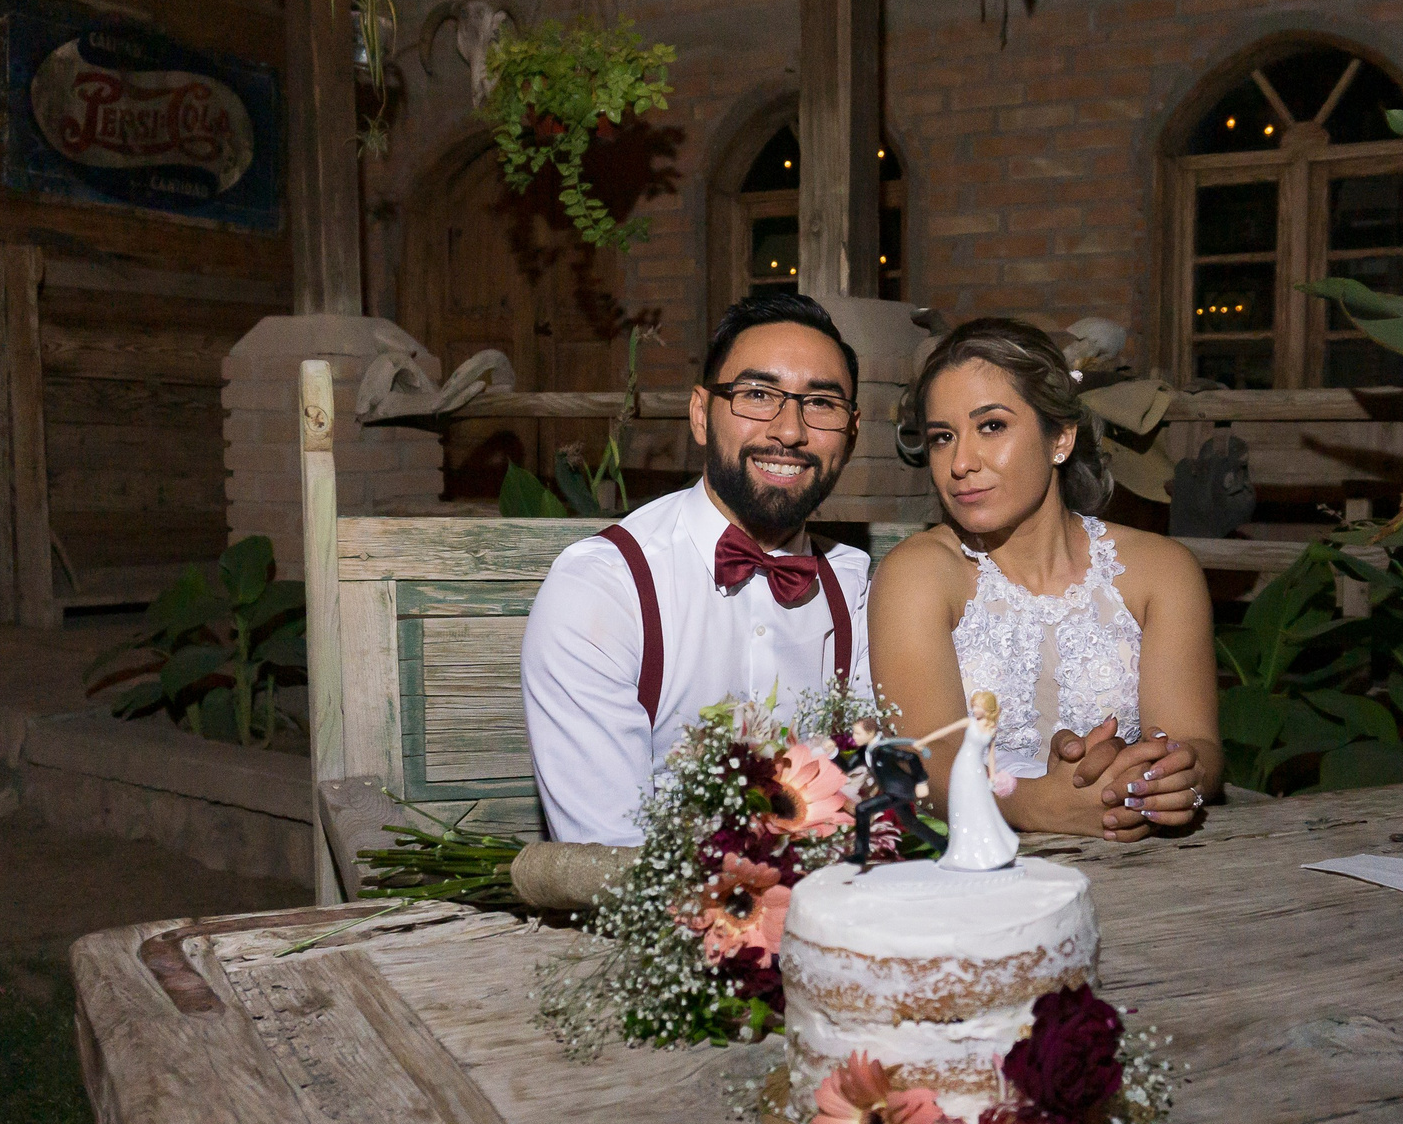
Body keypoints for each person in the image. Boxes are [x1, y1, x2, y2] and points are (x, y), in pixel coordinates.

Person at [522, 292, 873, 844]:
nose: (788, 431)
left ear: (851, 435)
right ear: (701, 415)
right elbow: (610, 854)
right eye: (758, 395)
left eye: (821, 404)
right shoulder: (604, 591)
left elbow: (869, 803)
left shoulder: (855, 591)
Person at [869, 317, 1222, 840]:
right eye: (943, 437)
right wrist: (1034, 805)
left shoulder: (1162, 571)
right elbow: (924, 756)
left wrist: (1171, 779)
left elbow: (1199, 746)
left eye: (991, 426)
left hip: (1143, 859)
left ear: (1060, 437)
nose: (961, 462)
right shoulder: (916, 574)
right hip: (972, 862)